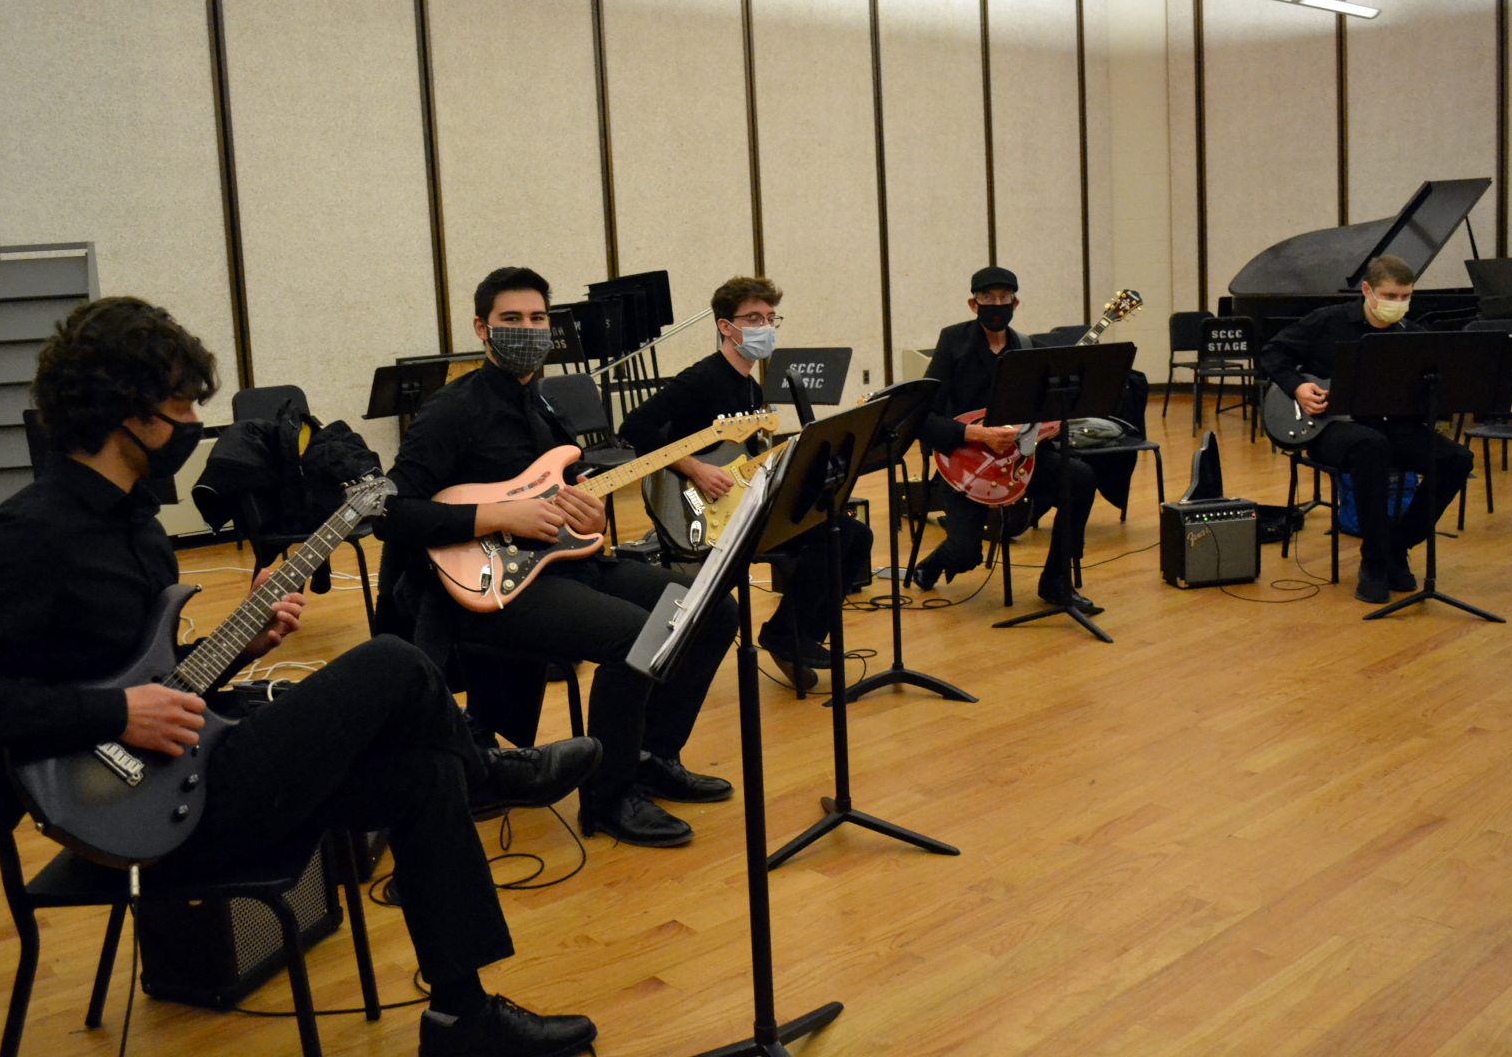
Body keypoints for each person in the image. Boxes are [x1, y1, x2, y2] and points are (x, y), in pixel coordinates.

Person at [0, 298, 601, 1057]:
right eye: (178, 401)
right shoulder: (29, 535)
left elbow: (161, 684)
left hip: (185, 771)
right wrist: (112, 714)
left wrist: (242, 647)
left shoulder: (131, 523)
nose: (193, 419)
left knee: (423, 774)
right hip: (136, 816)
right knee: (393, 662)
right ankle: (490, 770)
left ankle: (463, 1020)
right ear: (120, 406)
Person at [376, 267, 739, 849]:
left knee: (713, 610)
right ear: (482, 328)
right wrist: (495, 517)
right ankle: (610, 795)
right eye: (511, 320)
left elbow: (568, 497)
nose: (528, 329)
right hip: (493, 584)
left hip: (562, 562)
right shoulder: (453, 410)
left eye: (538, 319)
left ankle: (652, 755)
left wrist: (590, 517)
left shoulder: (541, 403)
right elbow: (391, 513)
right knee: (635, 637)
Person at [620, 276, 873, 693]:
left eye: (771, 318)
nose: (765, 327)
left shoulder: (750, 387)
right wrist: (694, 468)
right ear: (726, 326)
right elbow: (635, 426)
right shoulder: (702, 378)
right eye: (754, 318)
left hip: (741, 502)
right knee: (835, 534)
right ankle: (787, 637)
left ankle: (793, 637)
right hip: (703, 509)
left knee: (852, 533)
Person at [1257, 253, 1475, 604]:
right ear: (1367, 290)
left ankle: (1397, 544)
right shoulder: (1328, 321)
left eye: (1406, 297)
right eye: (1390, 297)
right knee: (1370, 446)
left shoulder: (1413, 335)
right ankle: (1373, 562)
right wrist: (1297, 386)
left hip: (1393, 427)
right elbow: (1272, 352)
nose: (1398, 304)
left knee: (1457, 459)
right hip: (1330, 428)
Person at [912, 267, 1102, 614]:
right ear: (973, 304)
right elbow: (921, 418)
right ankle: (934, 563)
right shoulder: (953, 343)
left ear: (1016, 303)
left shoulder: (1027, 347)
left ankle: (1056, 582)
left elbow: (1038, 411)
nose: (996, 304)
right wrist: (977, 433)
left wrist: (1053, 422)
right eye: (988, 298)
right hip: (966, 458)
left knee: (1079, 478)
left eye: (1004, 298)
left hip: (1017, 458)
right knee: (966, 552)